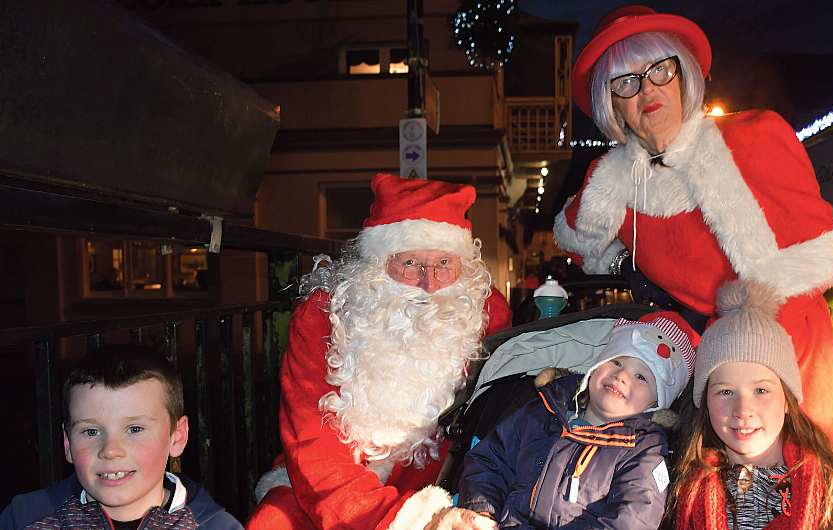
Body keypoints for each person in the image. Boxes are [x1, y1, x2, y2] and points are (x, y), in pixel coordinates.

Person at [552, 5, 833, 448]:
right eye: (626, 82)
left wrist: (746, 356)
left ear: (683, 73)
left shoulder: (756, 136)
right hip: (708, 367)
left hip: (792, 345)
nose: (647, 89)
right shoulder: (617, 185)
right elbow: (578, 237)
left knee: (806, 485)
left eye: (659, 70)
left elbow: (817, 260)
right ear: (611, 103)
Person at [246, 173, 513, 530]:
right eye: (411, 264)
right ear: (377, 264)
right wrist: (394, 519)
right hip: (331, 483)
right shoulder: (323, 315)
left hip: (438, 483)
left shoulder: (481, 311)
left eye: (444, 264)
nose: (429, 284)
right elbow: (312, 445)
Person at [671, 280, 833, 530]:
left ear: (787, 400)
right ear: (705, 402)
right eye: (725, 391)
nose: (743, 410)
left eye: (761, 390)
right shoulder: (683, 493)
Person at [455, 312, 698, 530]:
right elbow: (490, 460)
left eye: (641, 377)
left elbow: (633, 517)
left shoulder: (644, 452)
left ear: (655, 404)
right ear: (595, 367)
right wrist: (482, 512)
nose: (621, 376)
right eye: (616, 362)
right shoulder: (543, 411)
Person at [0, 344, 241, 530]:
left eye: (134, 429)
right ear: (67, 442)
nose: (111, 450)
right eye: (91, 432)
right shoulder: (24, 519)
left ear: (176, 437)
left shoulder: (216, 526)